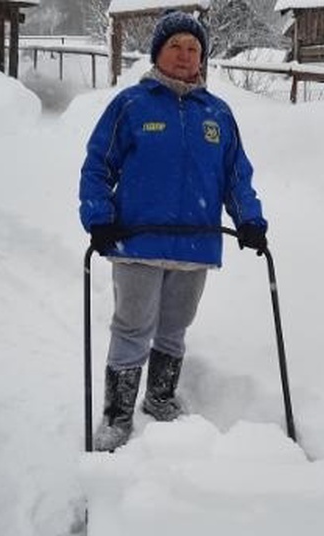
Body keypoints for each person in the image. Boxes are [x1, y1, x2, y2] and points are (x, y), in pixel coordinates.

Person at [78, 10, 268, 452]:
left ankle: (161, 398)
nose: (185, 56)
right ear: (158, 53)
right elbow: (97, 166)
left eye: (194, 49)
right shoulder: (131, 105)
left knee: (174, 327)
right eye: (176, 47)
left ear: (203, 58)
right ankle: (117, 414)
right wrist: (98, 216)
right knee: (132, 325)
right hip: (138, 240)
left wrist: (250, 219)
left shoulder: (218, 114)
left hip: (195, 244)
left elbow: (236, 175)